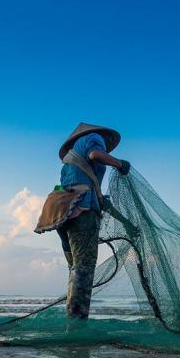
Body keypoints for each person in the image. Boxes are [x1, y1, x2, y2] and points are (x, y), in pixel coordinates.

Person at [37, 123, 131, 320]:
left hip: (61, 212)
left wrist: (126, 223)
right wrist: (120, 164)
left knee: (75, 268)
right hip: (82, 210)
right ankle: (77, 323)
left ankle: (72, 318)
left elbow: (99, 198)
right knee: (85, 265)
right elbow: (96, 154)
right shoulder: (93, 137)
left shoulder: (72, 162)